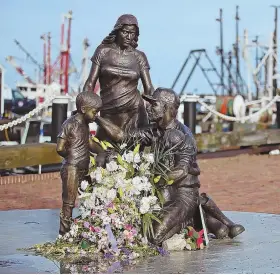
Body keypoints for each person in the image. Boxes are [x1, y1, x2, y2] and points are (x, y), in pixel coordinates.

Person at [94, 88, 245, 244]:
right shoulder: (156, 131)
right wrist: (97, 119)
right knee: (139, 226)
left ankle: (191, 218)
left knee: (153, 237)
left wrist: (149, 177)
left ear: (166, 108)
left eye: (154, 104)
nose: (148, 107)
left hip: (183, 195)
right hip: (163, 193)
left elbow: (181, 170)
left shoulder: (181, 136)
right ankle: (205, 220)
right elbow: (122, 136)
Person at [83, 14, 155, 141]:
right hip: (108, 112)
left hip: (135, 112)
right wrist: (83, 107)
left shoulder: (139, 57)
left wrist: (154, 111)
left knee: (134, 154)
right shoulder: (102, 51)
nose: (129, 36)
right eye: (125, 32)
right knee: (104, 151)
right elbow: (90, 83)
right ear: (117, 30)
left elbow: (149, 88)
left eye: (132, 33)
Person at [56, 92, 104, 235]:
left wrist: (102, 151)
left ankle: (88, 228)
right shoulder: (69, 124)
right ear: (83, 109)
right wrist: (71, 157)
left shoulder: (85, 125)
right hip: (71, 168)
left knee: (90, 195)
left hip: (83, 168)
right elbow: (59, 148)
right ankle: (64, 233)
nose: (96, 115)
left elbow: (89, 142)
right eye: (94, 112)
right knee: (69, 202)